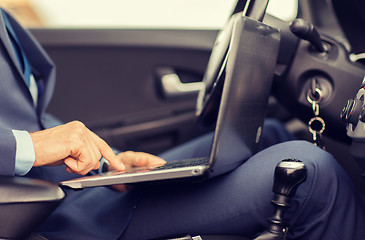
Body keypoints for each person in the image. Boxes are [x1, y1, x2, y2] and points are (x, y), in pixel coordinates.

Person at [0, 8, 365, 240]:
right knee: (310, 172)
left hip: (69, 188)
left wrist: (104, 163)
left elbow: (24, 117)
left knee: (269, 135)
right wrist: (26, 148)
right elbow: (27, 136)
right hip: (39, 213)